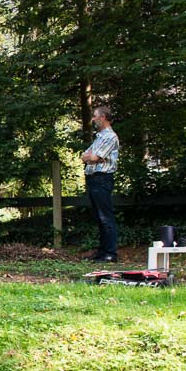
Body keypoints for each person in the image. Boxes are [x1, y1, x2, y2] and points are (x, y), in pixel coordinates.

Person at [81, 106, 119, 262]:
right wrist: (91, 156)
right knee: (98, 217)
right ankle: (102, 252)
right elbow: (84, 156)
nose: (93, 119)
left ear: (103, 117)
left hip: (102, 179)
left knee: (105, 217)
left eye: (95, 116)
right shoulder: (99, 137)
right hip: (93, 179)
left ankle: (110, 253)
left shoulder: (110, 137)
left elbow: (95, 157)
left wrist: (93, 157)